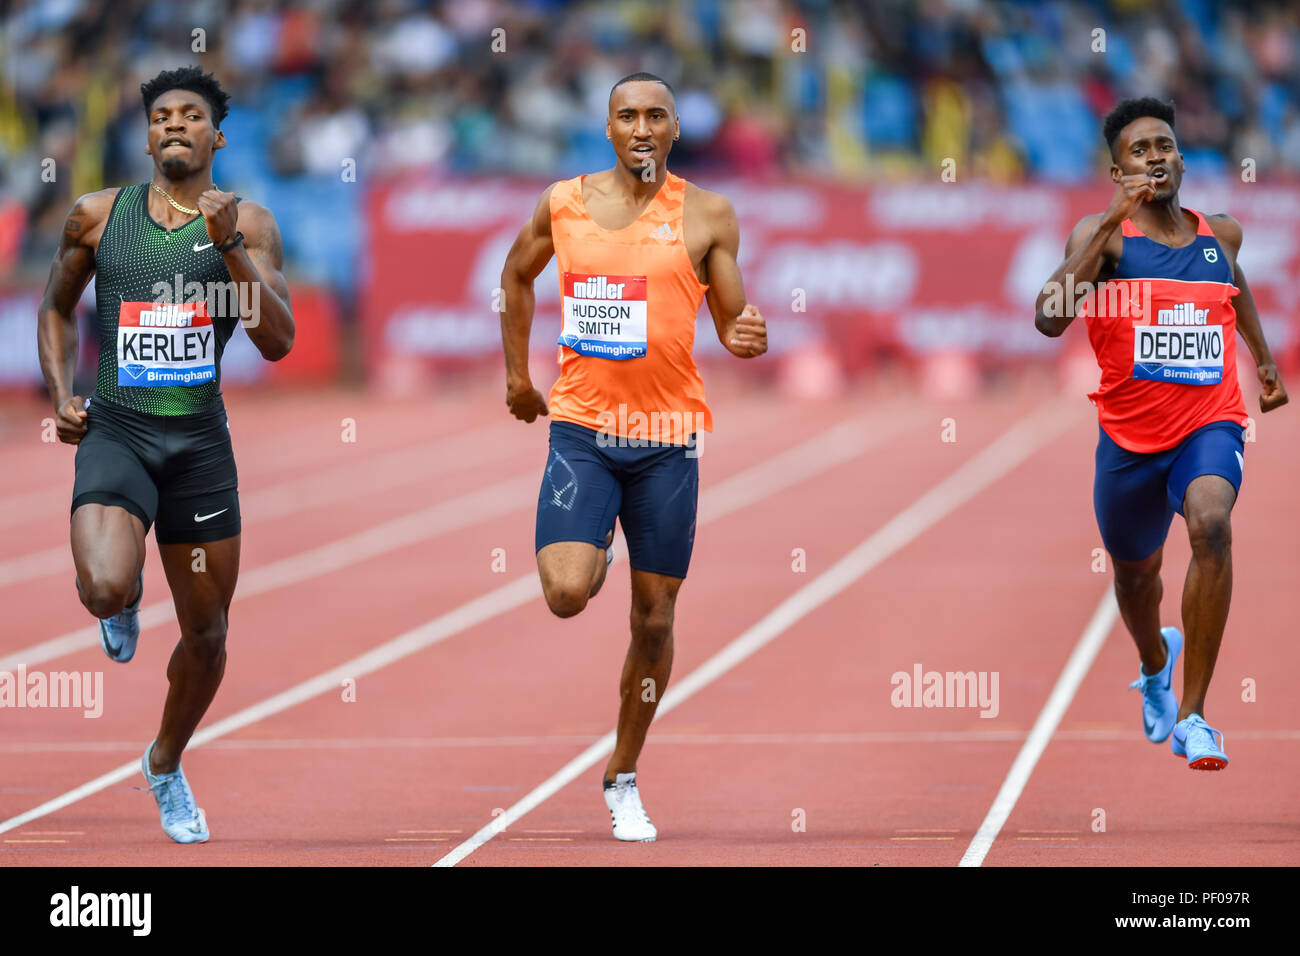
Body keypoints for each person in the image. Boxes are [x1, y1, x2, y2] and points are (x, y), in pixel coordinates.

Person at [499, 72, 767, 839]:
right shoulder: (565, 203)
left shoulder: (709, 213)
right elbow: (517, 275)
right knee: (564, 594)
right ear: (608, 127)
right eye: (628, 116)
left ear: (676, 127)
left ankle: (621, 773)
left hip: (667, 440)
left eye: (656, 115)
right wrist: (520, 378)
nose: (642, 127)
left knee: (654, 621)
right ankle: (594, 548)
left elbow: (730, 318)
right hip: (583, 429)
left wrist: (747, 335)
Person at [37, 66, 294, 840]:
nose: (173, 124)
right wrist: (59, 395)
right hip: (120, 428)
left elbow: (277, 342)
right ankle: (125, 589)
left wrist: (233, 252)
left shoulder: (249, 221)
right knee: (103, 586)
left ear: (217, 136)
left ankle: (164, 761)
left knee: (209, 635)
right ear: (147, 135)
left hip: (199, 448)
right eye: (160, 116)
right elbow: (55, 309)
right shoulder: (95, 216)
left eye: (190, 115)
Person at [1034, 97, 1287, 770]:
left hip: (1209, 423)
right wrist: (1111, 221)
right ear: (1116, 169)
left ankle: (1195, 716)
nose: (1155, 157)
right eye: (1139, 150)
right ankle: (1154, 661)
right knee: (1136, 576)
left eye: (1164, 145)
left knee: (1212, 523)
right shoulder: (1104, 237)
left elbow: (1233, 289)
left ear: (1181, 156)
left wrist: (1263, 364)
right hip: (1128, 442)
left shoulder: (1220, 234)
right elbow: (1048, 319)